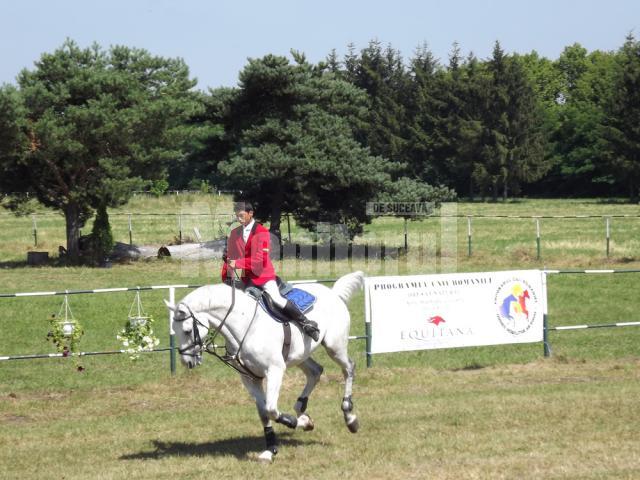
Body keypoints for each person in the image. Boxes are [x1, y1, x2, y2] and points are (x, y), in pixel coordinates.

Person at [221, 201, 320, 341]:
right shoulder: (235, 233)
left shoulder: (262, 232)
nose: (239, 219)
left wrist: (235, 263)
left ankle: (306, 323)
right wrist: (226, 275)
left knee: (276, 299)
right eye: (237, 216)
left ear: (250, 214)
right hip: (245, 278)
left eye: (242, 215)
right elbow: (230, 258)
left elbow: (258, 262)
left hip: (263, 277)